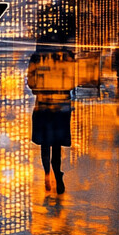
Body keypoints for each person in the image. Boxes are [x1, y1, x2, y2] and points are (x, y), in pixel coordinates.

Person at [27, 45, 76, 194]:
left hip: (43, 104)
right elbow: (72, 81)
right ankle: (57, 173)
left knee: (45, 143)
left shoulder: (37, 56)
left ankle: (47, 174)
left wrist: (39, 89)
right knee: (56, 144)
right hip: (60, 106)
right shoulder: (66, 56)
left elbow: (31, 82)